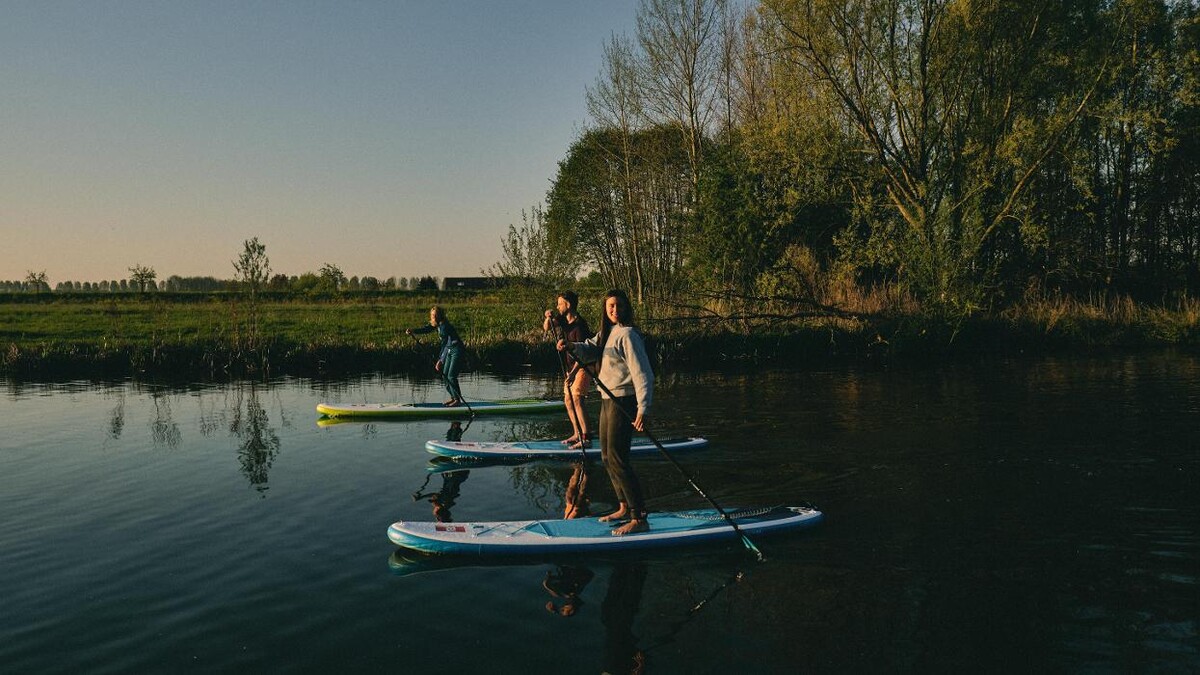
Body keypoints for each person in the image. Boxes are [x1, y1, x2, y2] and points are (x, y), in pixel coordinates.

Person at [558, 289, 653, 536]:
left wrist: (643, 408)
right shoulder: (607, 333)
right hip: (607, 400)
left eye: (619, 306)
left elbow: (643, 373)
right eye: (610, 306)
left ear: (626, 308)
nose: (614, 310)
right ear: (605, 308)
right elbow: (589, 349)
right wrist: (569, 345)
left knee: (619, 458)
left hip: (624, 401)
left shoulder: (628, 335)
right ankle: (623, 506)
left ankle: (639, 516)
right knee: (607, 457)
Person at [542, 291, 593, 448]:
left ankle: (586, 437)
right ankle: (576, 433)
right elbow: (547, 328)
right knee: (568, 400)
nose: (557, 306)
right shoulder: (562, 319)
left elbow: (585, 353)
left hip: (584, 365)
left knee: (577, 398)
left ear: (568, 305)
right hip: (571, 367)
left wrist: (573, 373)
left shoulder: (581, 325)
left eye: (560, 303)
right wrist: (547, 316)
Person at [406, 306, 465, 407]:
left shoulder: (445, 326)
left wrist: (440, 360)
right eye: (432, 315)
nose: (432, 317)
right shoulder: (437, 324)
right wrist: (413, 331)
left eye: (434, 315)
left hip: (457, 350)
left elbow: (446, 344)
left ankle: (457, 400)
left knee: (451, 376)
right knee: (445, 375)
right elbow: (426, 329)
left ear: (439, 316)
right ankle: (453, 398)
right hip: (450, 349)